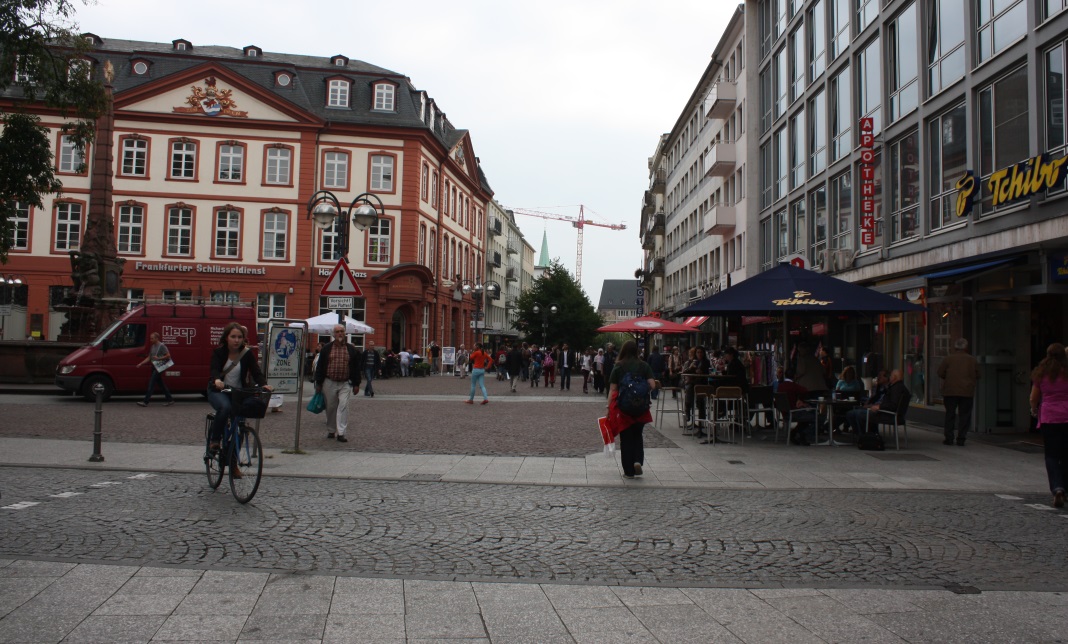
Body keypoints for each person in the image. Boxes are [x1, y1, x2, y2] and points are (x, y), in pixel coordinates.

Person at [207, 323, 271, 459]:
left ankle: (233, 461)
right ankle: (215, 440)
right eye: (233, 337)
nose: (236, 340)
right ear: (226, 338)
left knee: (240, 425)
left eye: (239, 337)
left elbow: (256, 371)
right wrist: (217, 379)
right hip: (219, 390)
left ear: (243, 339)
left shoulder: (246, 354)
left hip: (238, 392)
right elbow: (214, 369)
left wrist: (264, 384)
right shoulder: (219, 352)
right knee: (225, 408)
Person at [606, 340, 657, 479]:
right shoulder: (644, 366)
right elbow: (652, 385)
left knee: (626, 438)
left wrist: (608, 407)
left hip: (624, 408)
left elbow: (613, 389)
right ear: (636, 351)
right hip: (640, 406)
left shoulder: (618, 366)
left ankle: (628, 471)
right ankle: (637, 461)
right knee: (637, 435)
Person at [1029, 343, 1068, 508]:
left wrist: (1033, 410)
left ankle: (1057, 487)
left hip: (1049, 417)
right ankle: (1065, 487)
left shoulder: (1041, 374)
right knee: (1066, 454)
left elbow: (1033, 397)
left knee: (1051, 455)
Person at [314, 324, 362, 443]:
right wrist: (319, 383)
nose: (340, 333)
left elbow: (356, 368)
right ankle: (331, 430)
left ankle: (341, 432)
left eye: (342, 331)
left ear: (345, 333)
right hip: (329, 381)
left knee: (344, 406)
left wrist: (357, 383)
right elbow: (320, 366)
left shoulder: (351, 349)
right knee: (330, 407)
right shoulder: (327, 349)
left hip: (345, 382)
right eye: (337, 332)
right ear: (333, 334)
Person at [938, 338, 979, 446]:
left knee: (950, 414)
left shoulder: (948, 359)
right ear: (966, 347)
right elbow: (979, 374)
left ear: (955, 347)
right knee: (964, 415)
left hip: (950, 391)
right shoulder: (972, 360)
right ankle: (961, 439)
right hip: (966, 391)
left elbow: (940, 372)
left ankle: (949, 438)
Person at [776, 367, 818, 445]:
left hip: (784, 412)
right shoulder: (793, 385)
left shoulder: (780, 386)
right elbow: (805, 390)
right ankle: (801, 433)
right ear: (795, 376)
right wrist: (801, 399)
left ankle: (797, 434)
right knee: (813, 415)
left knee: (806, 414)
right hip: (793, 412)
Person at [137, 332, 175, 407]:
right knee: (161, 384)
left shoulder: (162, 346)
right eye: (150, 338)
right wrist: (141, 363)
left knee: (151, 384)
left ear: (157, 338)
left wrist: (159, 358)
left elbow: (168, 355)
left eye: (152, 338)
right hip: (154, 366)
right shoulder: (153, 346)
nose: (150, 340)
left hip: (159, 367)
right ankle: (170, 399)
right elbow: (149, 357)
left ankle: (145, 402)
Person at [682, 346, 711, 436]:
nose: (699, 354)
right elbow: (685, 372)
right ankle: (688, 409)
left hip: (702, 384)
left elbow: (707, 372)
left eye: (701, 352)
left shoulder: (706, 362)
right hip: (692, 383)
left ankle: (701, 423)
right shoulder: (691, 362)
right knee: (689, 389)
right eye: (698, 352)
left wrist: (701, 372)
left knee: (700, 401)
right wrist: (691, 367)